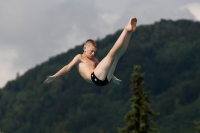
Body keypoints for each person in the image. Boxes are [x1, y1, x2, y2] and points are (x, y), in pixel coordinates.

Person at [44, 17, 137, 86]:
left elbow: (105, 68)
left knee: (117, 55)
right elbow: (67, 67)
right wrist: (54, 76)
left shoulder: (95, 60)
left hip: (105, 79)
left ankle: (129, 33)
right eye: (91, 51)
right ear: (85, 48)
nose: (93, 54)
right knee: (111, 54)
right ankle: (125, 30)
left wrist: (114, 78)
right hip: (95, 78)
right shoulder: (79, 57)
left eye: (94, 52)